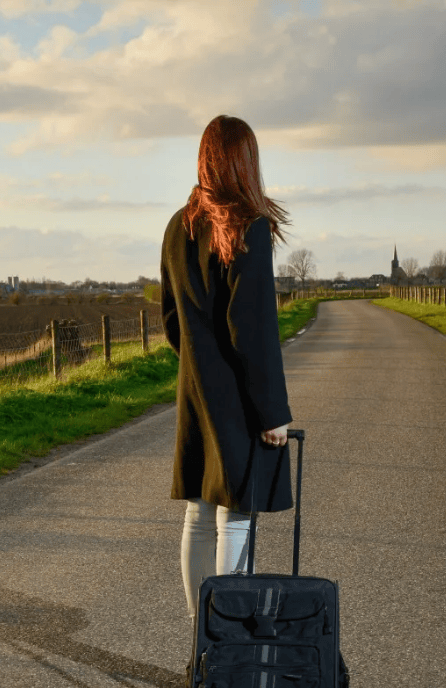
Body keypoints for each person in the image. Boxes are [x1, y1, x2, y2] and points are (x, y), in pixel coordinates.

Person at [160, 114, 294, 619]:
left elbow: (171, 318)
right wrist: (272, 413)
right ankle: (228, 642)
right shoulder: (249, 226)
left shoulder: (178, 225)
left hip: (195, 389)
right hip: (237, 398)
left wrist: (200, 362)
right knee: (235, 516)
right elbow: (253, 328)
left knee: (199, 512)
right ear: (246, 162)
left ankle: (203, 645)